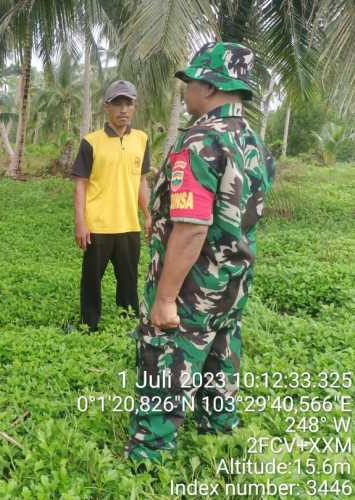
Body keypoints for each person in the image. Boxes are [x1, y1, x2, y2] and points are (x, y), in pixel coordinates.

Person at [125, 42, 276, 463]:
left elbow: (191, 229)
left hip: (192, 286)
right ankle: (218, 439)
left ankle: (149, 454)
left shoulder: (199, 142)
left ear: (210, 87)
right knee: (220, 353)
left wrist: (166, 297)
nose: (185, 90)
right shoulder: (254, 144)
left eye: (190, 82)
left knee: (166, 359)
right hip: (232, 283)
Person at [71, 80, 151, 332]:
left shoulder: (141, 139)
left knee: (128, 280)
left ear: (134, 107)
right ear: (106, 107)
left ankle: (127, 323)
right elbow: (80, 185)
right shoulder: (91, 142)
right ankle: (88, 324)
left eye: (128, 103)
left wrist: (149, 214)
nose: (123, 109)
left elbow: (141, 181)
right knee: (91, 280)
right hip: (98, 225)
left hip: (129, 225)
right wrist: (81, 222)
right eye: (117, 103)